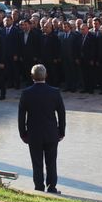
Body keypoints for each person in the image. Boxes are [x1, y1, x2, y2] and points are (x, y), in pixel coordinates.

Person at [18, 64, 66, 194]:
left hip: (34, 134)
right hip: (51, 133)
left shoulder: (26, 93)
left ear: (32, 76)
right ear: (46, 75)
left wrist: (23, 133)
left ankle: (39, 187)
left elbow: (21, 116)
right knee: (51, 162)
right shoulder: (55, 92)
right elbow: (61, 113)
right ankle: (52, 187)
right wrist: (61, 132)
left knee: (37, 163)